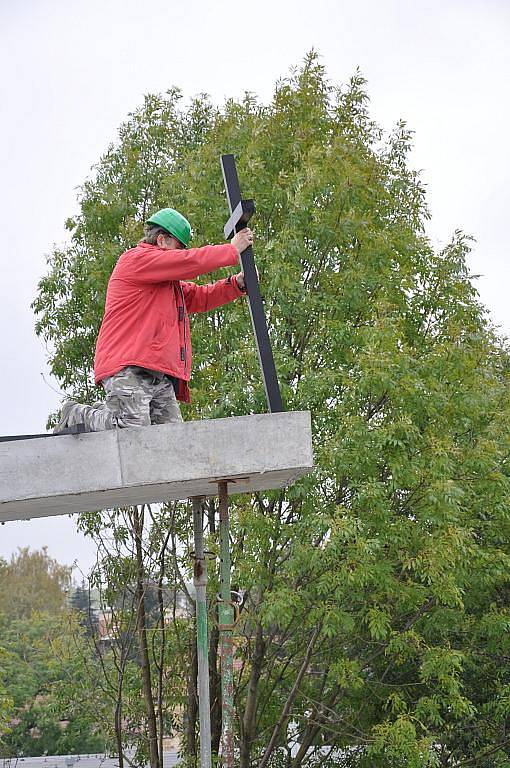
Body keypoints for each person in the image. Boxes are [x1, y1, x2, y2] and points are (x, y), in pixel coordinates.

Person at [54, 207, 253, 433]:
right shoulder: (137, 260)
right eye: (179, 247)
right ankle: (77, 414)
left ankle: (114, 411)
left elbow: (199, 296)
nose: (181, 254)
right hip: (128, 365)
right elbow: (189, 262)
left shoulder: (166, 284)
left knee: (171, 438)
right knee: (130, 429)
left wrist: (236, 284)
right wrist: (231, 250)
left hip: (158, 373)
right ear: (162, 240)